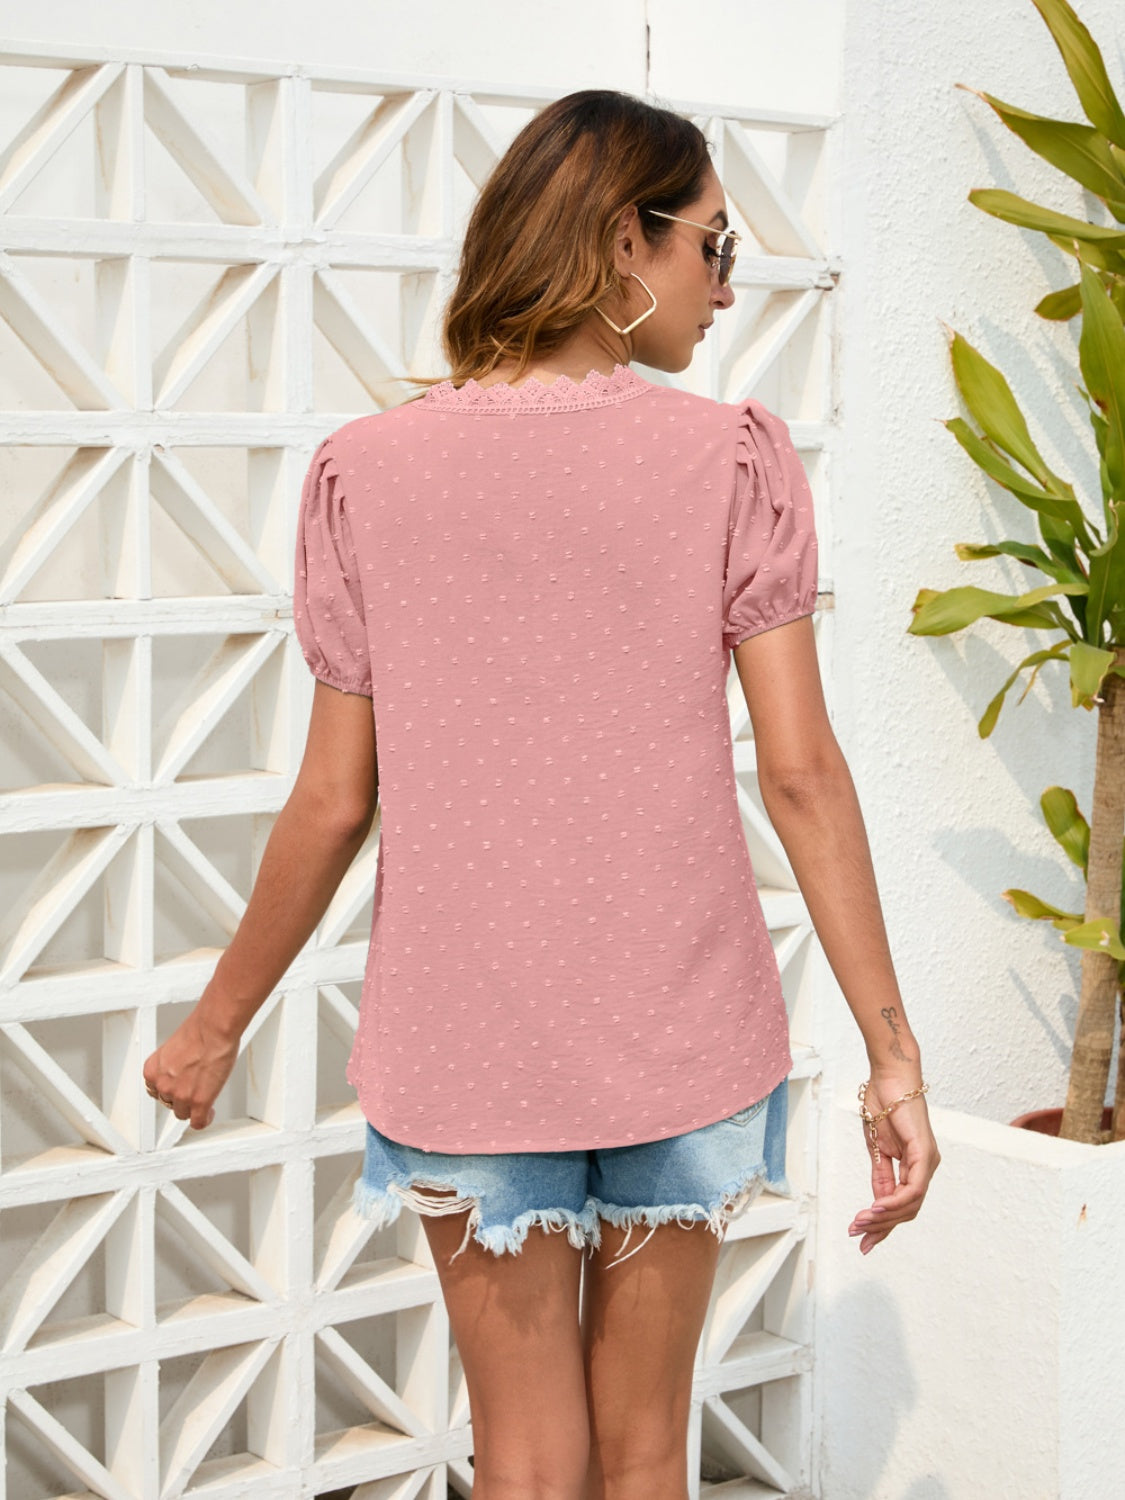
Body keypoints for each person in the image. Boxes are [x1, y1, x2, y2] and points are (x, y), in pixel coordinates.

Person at [143, 88, 939, 1500]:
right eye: (713, 244)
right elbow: (802, 773)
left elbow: (332, 801)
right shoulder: (730, 459)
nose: (725, 286)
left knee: (521, 1459)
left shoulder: (365, 473)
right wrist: (895, 1058)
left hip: (466, 1039)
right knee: (645, 1451)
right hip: (681, 1026)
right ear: (625, 242)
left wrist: (213, 1031)